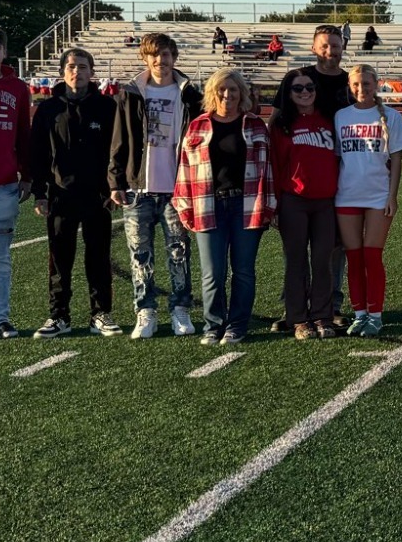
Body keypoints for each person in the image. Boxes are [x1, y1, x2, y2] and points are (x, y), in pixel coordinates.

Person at [109, 31, 203, 339]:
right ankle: (145, 310)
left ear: (174, 57)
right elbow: (120, 138)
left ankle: (180, 309)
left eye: (165, 55)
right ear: (145, 58)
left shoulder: (189, 93)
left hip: (178, 187)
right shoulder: (132, 92)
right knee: (139, 252)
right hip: (139, 187)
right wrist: (117, 179)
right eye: (154, 55)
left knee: (179, 251)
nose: (160, 61)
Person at [171, 68, 276, 346]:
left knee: (243, 270)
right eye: (222, 90)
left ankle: (237, 325)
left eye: (233, 90)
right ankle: (213, 325)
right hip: (208, 205)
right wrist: (184, 207)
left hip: (247, 204)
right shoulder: (197, 126)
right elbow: (184, 169)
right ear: (212, 92)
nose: (227, 95)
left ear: (241, 93)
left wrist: (270, 206)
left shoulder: (255, 125)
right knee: (213, 272)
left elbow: (268, 169)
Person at [28, 47, 121, 339]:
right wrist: (39, 193)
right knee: (59, 257)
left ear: (92, 72)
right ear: (61, 71)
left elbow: (116, 152)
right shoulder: (48, 109)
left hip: (97, 196)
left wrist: (112, 188)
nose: (76, 71)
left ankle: (100, 314)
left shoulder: (107, 107)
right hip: (60, 195)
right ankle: (59, 316)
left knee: (98, 256)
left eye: (82, 66)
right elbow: (38, 154)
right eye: (71, 66)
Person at [334, 64, 402, 338]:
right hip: (347, 195)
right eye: (356, 84)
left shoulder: (391, 116)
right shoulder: (341, 116)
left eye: (366, 84)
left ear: (376, 85)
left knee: (372, 256)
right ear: (349, 86)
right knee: (353, 258)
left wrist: (392, 195)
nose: (361, 89)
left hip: (378, 196)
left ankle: (375, 315)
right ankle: (359, 314)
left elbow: (398, 158)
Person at [266, 66, 339, 339]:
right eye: (298, 88)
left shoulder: (329, 119)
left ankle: (322, 316)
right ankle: (298, 319)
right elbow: (274, 165)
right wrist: (274, 204)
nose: (305, 92)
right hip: (293, 201)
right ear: (288, 92)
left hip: (326, 202)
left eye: (310, 87)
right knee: (295, 261)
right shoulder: (282, 125)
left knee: (323, 261)